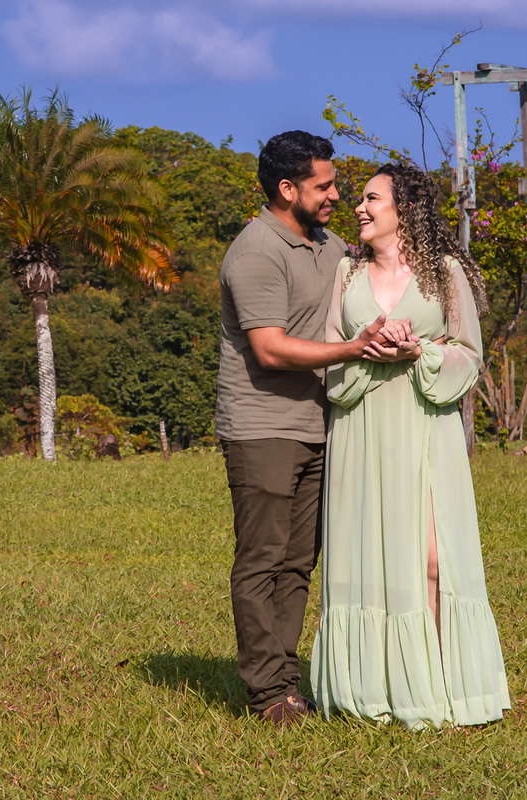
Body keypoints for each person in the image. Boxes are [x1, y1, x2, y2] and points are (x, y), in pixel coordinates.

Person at [309, 162, 511, 729]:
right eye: (359, 200)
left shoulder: (444, 272)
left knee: (431, 558)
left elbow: (468, 355)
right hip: (360, 428)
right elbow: (330, 358)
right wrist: (365, 345)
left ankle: (448, 689)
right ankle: (371, 691)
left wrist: (418, 352)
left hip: (425, 430)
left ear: (406, 209)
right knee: (363, 564)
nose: (359, 208)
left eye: (372, 199)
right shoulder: (346, 276)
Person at [216, 131, 403, 727]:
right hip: (262, 426)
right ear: (287, 188)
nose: (335, 195)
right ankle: (267, 691)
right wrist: (353, 349)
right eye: (323, 186)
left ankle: (288, 681)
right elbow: (269, 350)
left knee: (299, 561)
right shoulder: (255, 252)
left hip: (318, 424)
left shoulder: (329, 245)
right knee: (262, 559)